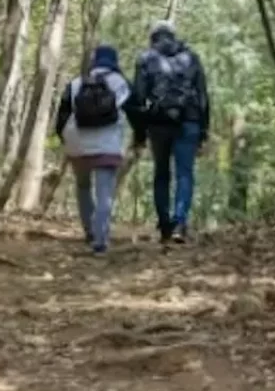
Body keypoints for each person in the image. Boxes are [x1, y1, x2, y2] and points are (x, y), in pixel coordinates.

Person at [54, 44, 144, 255]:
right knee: (104, 193)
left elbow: (62, 116)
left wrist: (65, 139)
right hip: (107, 145)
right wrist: (139, 138)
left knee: (83, 187)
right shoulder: (121, 83)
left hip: (78, 144)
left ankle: (89, 232)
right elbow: (136, 113)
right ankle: (100, 240)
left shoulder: (76, 83)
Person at [131, 20, 210, 244]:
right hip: (189, 121)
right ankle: (179, 223)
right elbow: (203, 96)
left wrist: (139, 133)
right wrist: (204, 129)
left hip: (158, 123)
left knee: (161, 173)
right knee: (185, 173)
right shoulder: (192, 58)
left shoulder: (146, 58)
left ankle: (164, 225)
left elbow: (138, 98)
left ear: (153, 37)